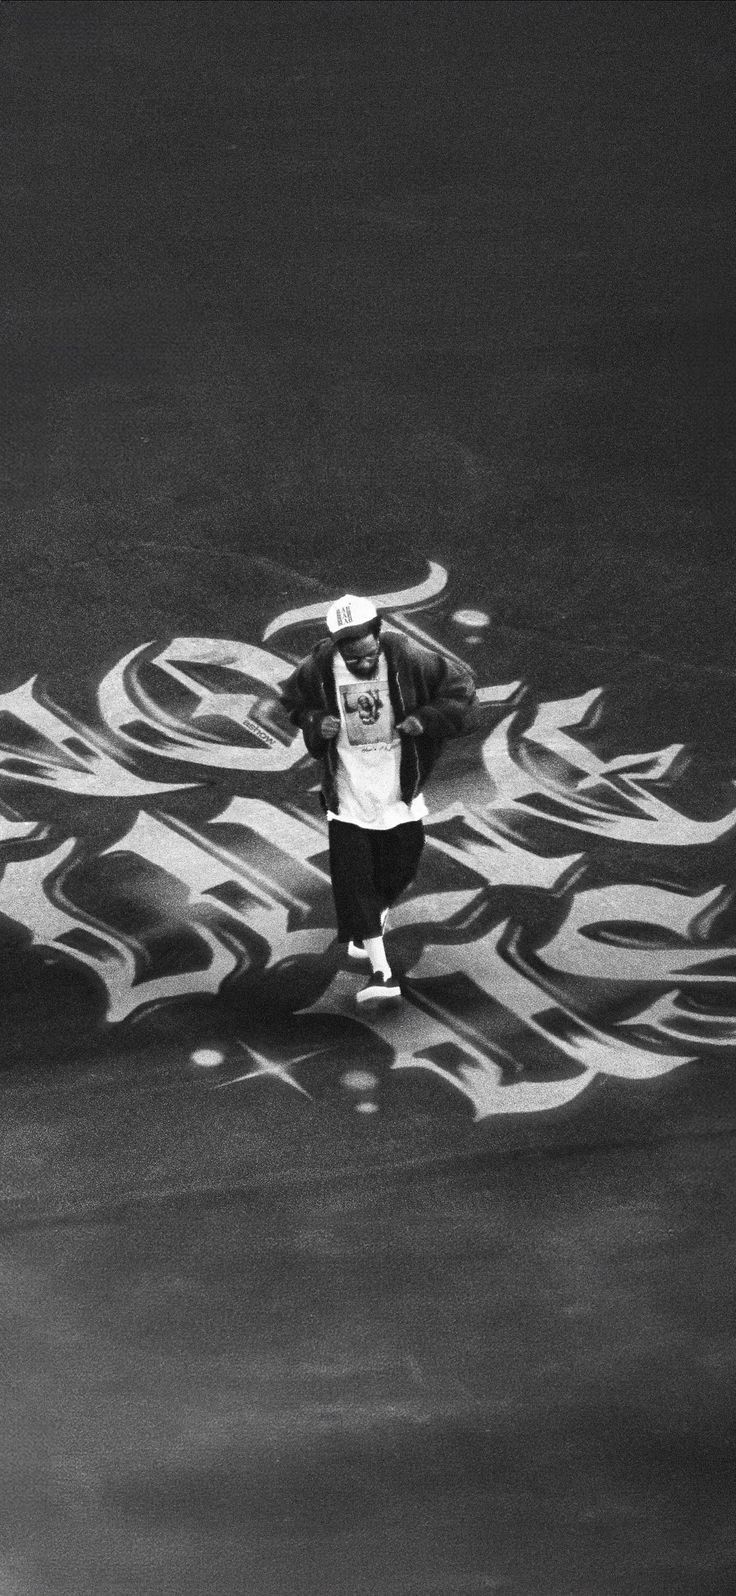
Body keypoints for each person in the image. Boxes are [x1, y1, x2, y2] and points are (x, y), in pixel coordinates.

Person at [280, 594, 477, 1005]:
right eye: (353, 659)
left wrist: (424, 720)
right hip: (348, 791)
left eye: (368, 655)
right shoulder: (319, 667)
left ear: (378, 634)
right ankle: (381, 973)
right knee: (358, 880)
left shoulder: (409, 658)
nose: (363, 664)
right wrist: (319, 722)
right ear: (337, 646)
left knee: (402, 866)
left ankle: (367, 919)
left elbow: (460, 690)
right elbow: (294, 703)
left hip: (397, 788)